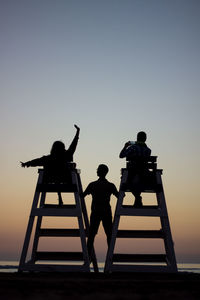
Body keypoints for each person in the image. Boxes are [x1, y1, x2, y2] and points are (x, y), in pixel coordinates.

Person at [20, 124, 80, 205]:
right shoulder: (66, 155)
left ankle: (59, 196)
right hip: (67, 181)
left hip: (49, 181)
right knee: (69, 168)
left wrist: (26, 164)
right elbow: (73, 145)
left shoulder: (48, 158)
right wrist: (77, 133)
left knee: (55, 176)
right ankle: (59, 196)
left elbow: (36, 161)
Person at [83, 164, 119, 260]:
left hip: (96, 212)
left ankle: (87, 257)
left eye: (98, 169)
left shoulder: (92, 184)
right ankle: (110, 258)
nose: (96, 171)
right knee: (109, 235)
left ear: (101, 172)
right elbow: (119, 196)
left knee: (91, 236)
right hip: (106, 212)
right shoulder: (110, 185)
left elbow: (82, 195)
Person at [119, 131, 151, 207]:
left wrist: (125, 146)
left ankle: (137, 197)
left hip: (132, 174)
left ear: (137, 138)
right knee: (138, 182)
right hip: (145, 175)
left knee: (126, 181)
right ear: (145, 139)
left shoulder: (132, 148)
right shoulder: (148, 150)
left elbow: (121, 155)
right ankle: (138, 198)